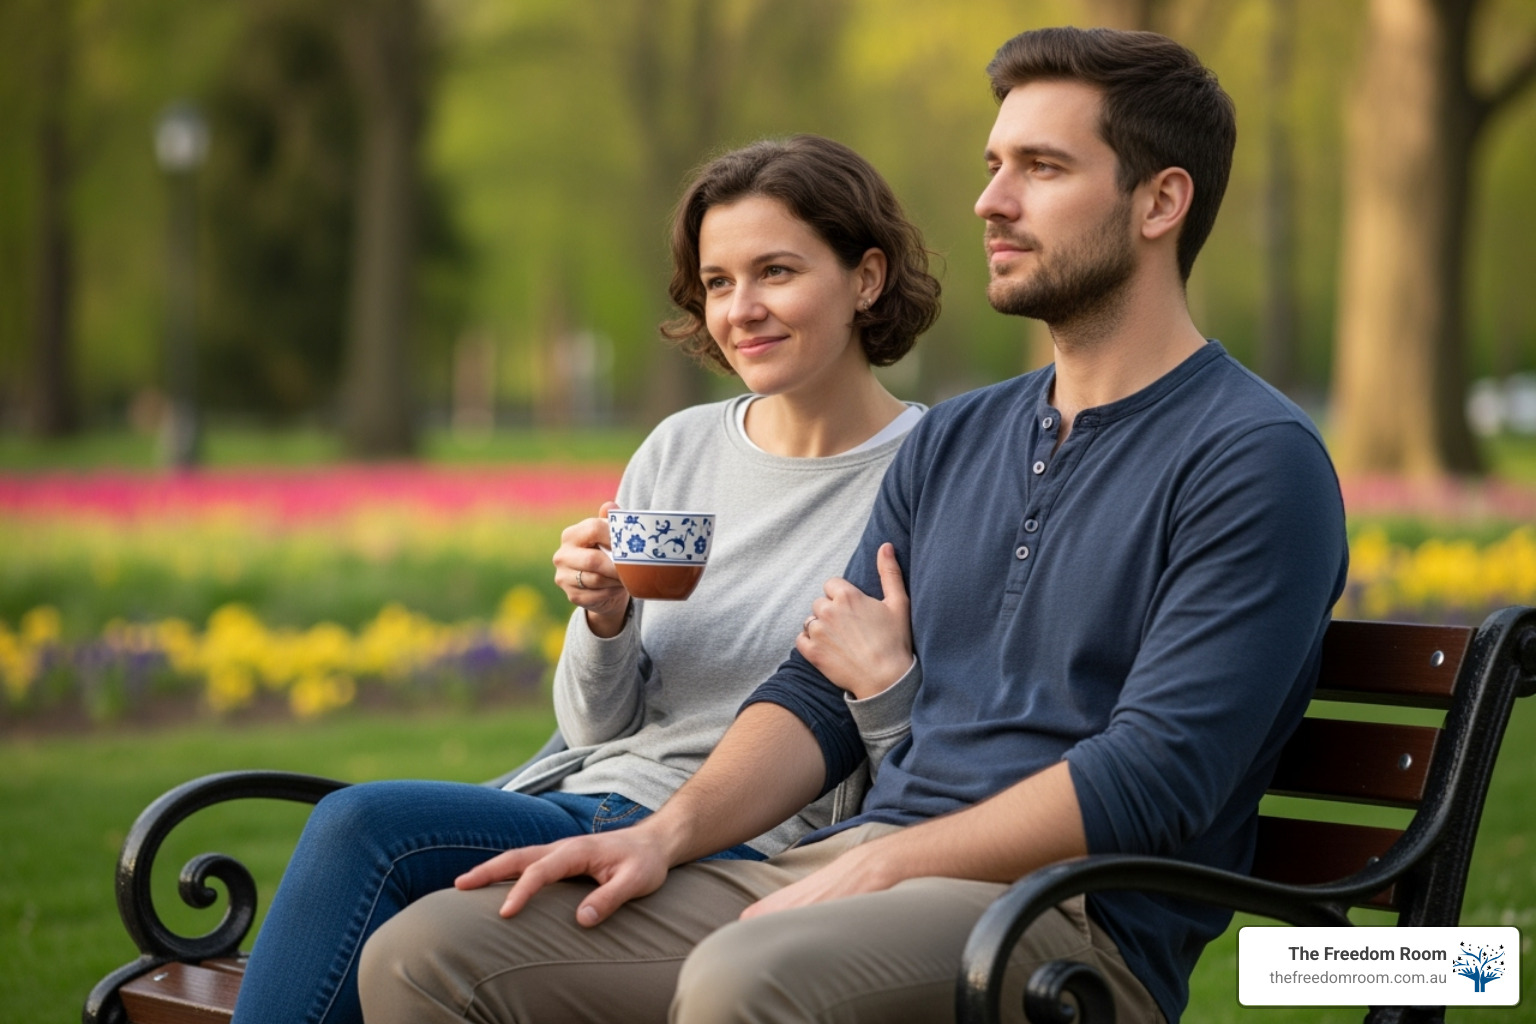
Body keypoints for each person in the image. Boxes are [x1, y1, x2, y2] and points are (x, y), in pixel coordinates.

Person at [358, 26, 1349, 1024]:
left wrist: (890, 860)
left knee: (747, 976)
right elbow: (817, 694)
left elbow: (1156, 776)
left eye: (1042, 168)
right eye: (994, 164)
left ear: (1161, 202)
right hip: (860, 863)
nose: (991, 201)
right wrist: (668, 830)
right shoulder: (958, 438)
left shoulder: (1252, 457)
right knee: (429, 953)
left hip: (1065, 923)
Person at [228, 133, 941, 1024]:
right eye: (719, 283)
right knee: (376, 887)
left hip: (735, 847)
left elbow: (913, 749)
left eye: (776, 273)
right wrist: (605, 623)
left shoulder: (930, 471)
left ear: (866, 278)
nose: (741, 309)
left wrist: (884, 685)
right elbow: (592, 726)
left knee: (360, 829)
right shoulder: (681, 447)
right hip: (584, 796)